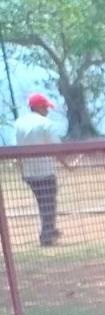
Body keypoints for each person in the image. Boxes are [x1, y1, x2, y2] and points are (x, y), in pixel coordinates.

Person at [11, 92, 63, 246]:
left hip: (28, 172)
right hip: (45, 170)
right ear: (39, 107)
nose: (47, 110)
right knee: (48, 202)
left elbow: (16, 148)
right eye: (46, 107)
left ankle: (50, 230)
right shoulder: (45, 123)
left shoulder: (19, 123)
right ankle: (47, 235)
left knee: (43, 201)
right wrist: (67, 164)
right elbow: (57, 147)